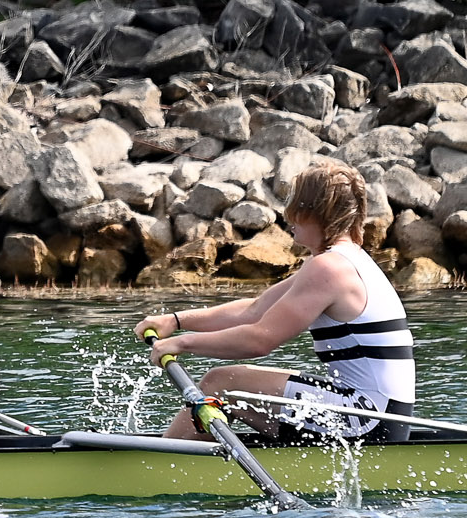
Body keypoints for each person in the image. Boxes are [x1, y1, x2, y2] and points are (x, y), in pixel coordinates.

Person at [141, 163, 415, 444]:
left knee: (221, 383)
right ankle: (182, 457)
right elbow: (254, 310)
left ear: (315, 212)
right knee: (226, 383)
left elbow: (259, 341)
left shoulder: (330, 268)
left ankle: (155, 469)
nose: (288, 216)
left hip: (371, 420)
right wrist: (175, 321)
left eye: (295, 205)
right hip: (381, 414)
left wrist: (183, 343)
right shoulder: (348, 258)